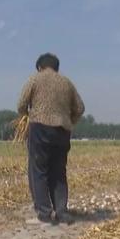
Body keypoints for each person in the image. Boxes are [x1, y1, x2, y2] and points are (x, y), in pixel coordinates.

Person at [18, 53, 85, 225]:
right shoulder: (66, 83)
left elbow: (21, 104)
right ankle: (62, 212)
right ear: (56, 67)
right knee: (58, 172)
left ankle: (44, 214)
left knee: (38, 170)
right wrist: (69, 121)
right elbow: (80, 107)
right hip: (63, 131)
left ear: (40, 67)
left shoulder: (35, 79)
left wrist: (26, 116)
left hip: (40, 128)